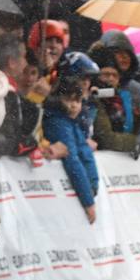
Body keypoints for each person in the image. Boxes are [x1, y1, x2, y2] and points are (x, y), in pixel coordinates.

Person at [43, 78, 100, 225]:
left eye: (78, 100)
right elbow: (73, 162)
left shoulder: (71, 123)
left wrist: (93, 186)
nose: (74, 105)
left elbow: (85, 153)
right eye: (68, 100)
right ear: (58, 100)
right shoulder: (59, 123)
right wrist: (88, 201)